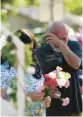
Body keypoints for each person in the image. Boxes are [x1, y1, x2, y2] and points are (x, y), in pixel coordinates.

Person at [1, 29, 51, 116]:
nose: (28, 53)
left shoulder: (35, 69)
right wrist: (27, 98)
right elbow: (2, 102)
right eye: (24, 49)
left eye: (31, 49)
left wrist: (46, 100)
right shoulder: (3, 70)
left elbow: (40, 94)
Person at [36, 22, 82, 116]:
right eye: (57, 38)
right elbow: (37, 78)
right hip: (52, 106)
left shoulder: (74, 45)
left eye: (64, 38)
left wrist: (61, 44)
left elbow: (76, 64)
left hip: (73, 105)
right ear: (49, 36)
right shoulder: (41, 51)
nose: (61, 42)